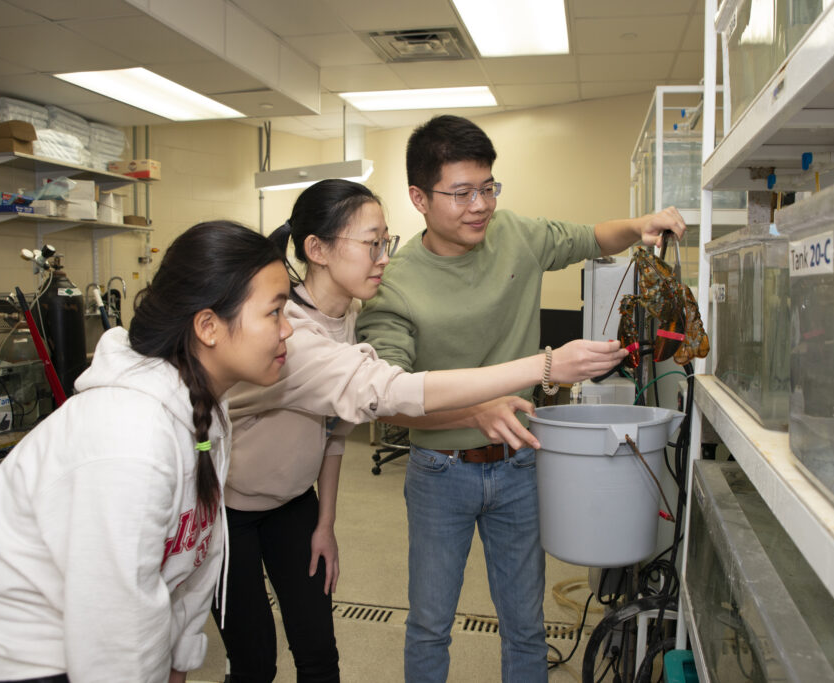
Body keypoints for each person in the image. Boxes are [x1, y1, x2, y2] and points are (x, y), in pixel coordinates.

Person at [216, 178, 627, 683]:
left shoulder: (346, 317)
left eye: (385, 242)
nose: (384, 257)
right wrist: (543, 365)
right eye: (371, 244)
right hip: (228, 509)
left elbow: (335, 434)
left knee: (318, 656)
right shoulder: (293, 339)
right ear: (317, 249)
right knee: (254, 661)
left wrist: (324, 523)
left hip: (293, 504)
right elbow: (393, 393)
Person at [355, 115, 688, 682]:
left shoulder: (515, 235)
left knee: (525, 626)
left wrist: (641, 225)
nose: (479, 205)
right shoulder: (395, 282)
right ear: (419, 197)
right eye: (461, 193)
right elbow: (387, 400)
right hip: (441, 473)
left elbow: (589, 237)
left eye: (488, 187)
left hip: (520, 467)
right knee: (431, 625)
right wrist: (473, 411)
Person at [0, 221, 293, 683]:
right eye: (274, 312)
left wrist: (180, 659)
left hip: (87, 644)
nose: (288, 329)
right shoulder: (129, 437)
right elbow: (113, 636)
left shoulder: (203, 410)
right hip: (22, 661)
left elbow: (193, 558)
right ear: (209, 326)